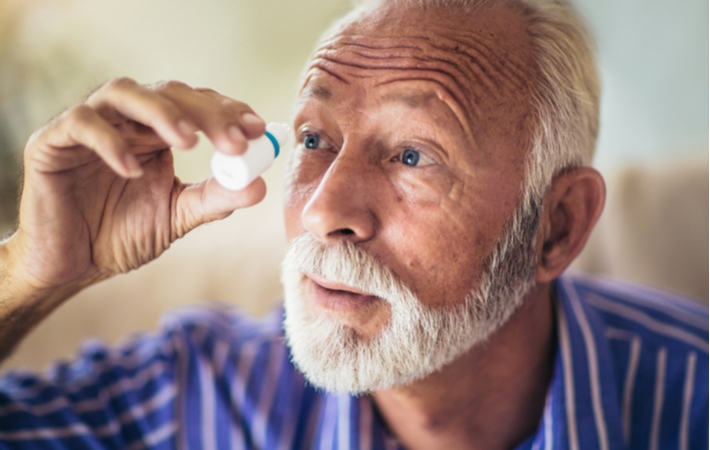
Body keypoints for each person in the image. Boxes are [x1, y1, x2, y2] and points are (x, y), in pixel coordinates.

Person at [0, 0, 706, 448]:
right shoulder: (199, 395)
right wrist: (30, 271)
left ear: (556, 227)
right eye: (314, 139)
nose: (322, 210)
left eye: (411, 155)